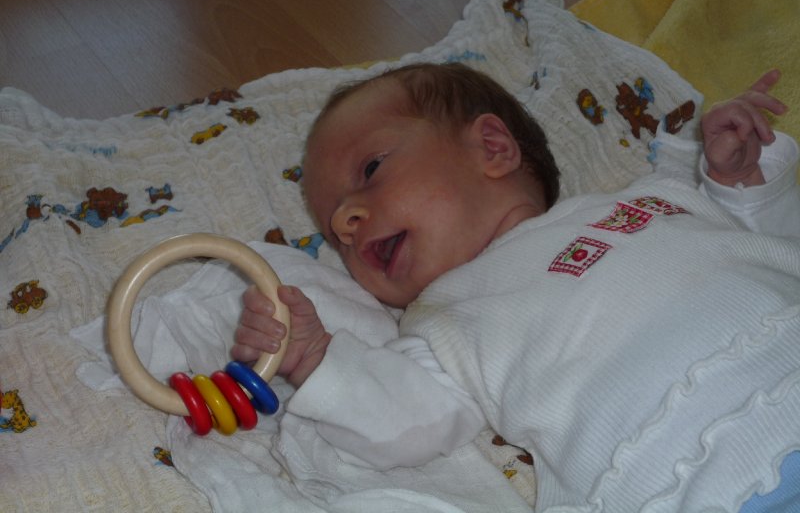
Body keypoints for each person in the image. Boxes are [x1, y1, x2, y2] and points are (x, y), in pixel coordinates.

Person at [232, 63, 800, 512]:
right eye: (336, 231)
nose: (347, 222)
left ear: (493, 148)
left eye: (371, 169)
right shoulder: (447, 322)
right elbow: (403, 419)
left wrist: (739, 180)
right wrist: (314, 356)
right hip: (697, 481)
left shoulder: (650, 196)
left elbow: (765, 245)